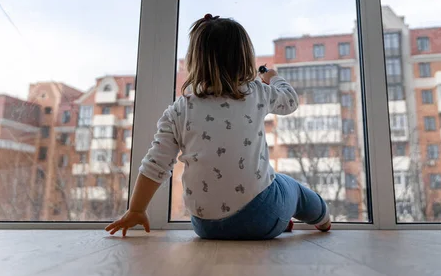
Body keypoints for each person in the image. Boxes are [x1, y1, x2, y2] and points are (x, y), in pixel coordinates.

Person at [105, 14, 331, 240]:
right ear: (244, 58)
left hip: (205, 226)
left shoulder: (179, 110)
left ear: (194, 60)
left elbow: (155, 164)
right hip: (261, 216)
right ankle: (323, 218)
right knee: (291, 188)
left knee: (272, 191)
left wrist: (136, 209)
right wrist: (273, 78)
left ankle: (277, 222)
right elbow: (290, 101)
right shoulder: (256, 92)